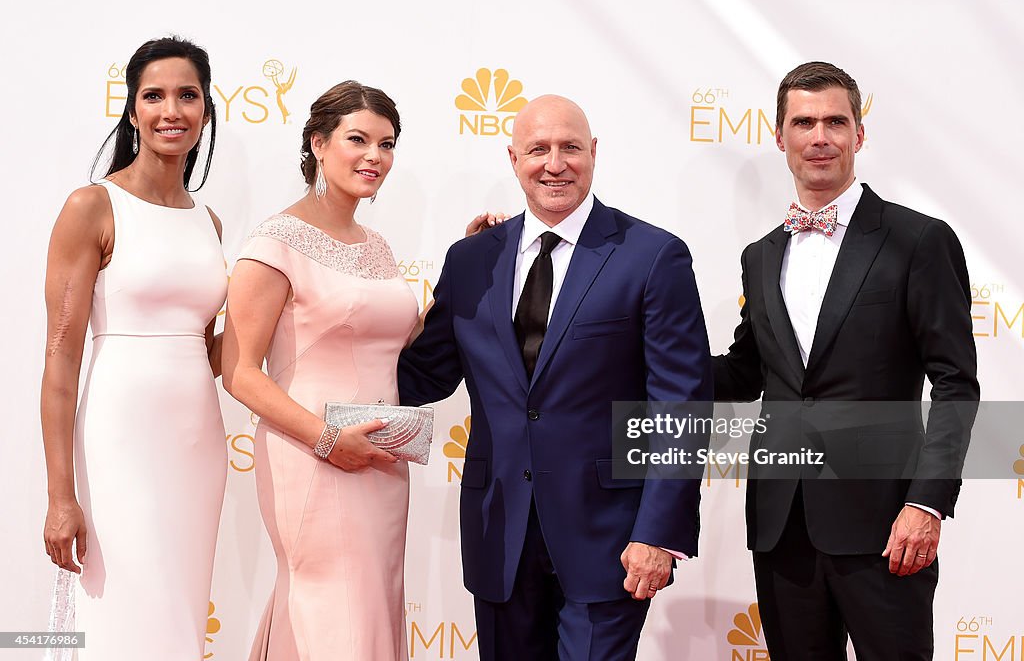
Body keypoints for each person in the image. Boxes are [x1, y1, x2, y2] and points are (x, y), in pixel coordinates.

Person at [398, 95, 712, 661]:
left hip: (610, 537)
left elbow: (681, 407)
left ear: (594, 154)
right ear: (513, 157)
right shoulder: (472, 261)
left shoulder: (652, 255)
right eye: (538, 149)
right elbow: (423, 377)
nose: (554, 163)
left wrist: (658, 532)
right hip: (500, 530)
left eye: (570, 148)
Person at [713, 61, 979, 660]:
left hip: (887, 526)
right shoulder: (761, 256)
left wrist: (927, 501)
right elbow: (744, 373)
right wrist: (628, 355)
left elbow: (956, 384)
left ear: (859, 134)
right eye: (803, 122)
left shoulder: (918, 240)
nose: (820, 136)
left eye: (836, 121)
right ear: (779, 136)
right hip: (784, 524)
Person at [40, 37, 227, 658]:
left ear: (205, 111)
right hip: (120, 437)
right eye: (154, 95)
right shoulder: (93, 205)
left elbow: (208, 351)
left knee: (179, 610)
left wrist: (303, 319)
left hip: (197, 441)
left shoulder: (210, 222)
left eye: (187, 95)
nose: (171, 109)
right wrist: (60, 497)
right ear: (132, 110)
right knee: (121, 606)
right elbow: (61, 362)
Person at [221, 81, 416, 661]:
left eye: (386, 144)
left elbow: (395, 344)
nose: (373, 157)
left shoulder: (376, 245)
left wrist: (473, 262)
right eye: (357, 139)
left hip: (381, 461)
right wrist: (329, 440)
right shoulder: (274, 241)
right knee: (330, 610)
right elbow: (240, 372)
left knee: (371, 603)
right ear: (319, 144)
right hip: (311, 458)